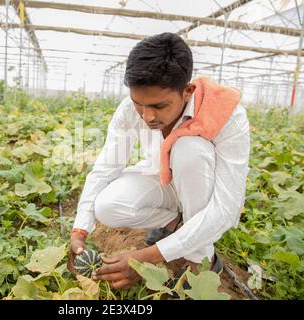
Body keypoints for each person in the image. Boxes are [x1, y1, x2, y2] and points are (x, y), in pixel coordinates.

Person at [67, 32, 250, 290]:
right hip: (164, 183)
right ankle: (174, 222)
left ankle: (203, 260)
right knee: (107, 206)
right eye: (138, 104)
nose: (147, 116)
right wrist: (79, 231)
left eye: (159, 106)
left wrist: (145, 258)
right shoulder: (132, 110)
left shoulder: (228, 116)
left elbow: (225, 209)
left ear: (187, 92)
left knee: (189, 148)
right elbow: (105, 169)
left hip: (205, 193)